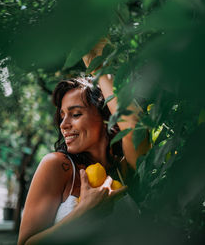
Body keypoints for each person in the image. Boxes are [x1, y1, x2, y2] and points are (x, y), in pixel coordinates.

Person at [17, 39, 148, 245]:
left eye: (75, 114)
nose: (63, 125)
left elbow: (135, 127)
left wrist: (100, 67)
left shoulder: (124, 168)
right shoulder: (58, 167)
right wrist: (83, 213)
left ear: (106, 116)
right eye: (62, 116)